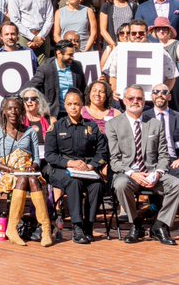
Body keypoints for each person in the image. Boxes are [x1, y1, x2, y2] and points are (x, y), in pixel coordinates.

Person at [108, 85, 179, 245]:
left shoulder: (155, 124)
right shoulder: (114, 124)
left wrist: (157, 173)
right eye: (131, 98)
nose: (135, 101)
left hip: (152, 173)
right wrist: (132, 173)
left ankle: (160, 225)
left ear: (144, 101)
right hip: (128, 175)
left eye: (139, 98)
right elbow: (115, 160)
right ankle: (136, 224)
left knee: (178, 185)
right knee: (120, 184)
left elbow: (164, 155)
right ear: (124, 101)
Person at [45, 88, 109, 244]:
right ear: (65, 106)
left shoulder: (92, 127)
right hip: (61, 169)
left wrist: (91, 166)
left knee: (97, 186)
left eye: (76, 104)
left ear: (82, 106)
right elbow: (50, 155)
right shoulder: (56, 127)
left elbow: (102, 153)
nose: (73, 107)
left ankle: (89, 225)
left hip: (86, 169)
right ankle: (77, 226)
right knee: (74, 182)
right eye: (69, 104)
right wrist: (70, 163)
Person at [0, 95, 53, 247]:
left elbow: (36, 158)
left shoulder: (30, 131)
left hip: (28, 171)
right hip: (7, 172)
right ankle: (12, 228)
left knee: (30, 178)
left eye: (16, 108)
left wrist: (33, 166)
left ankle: (46, 230)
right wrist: (11, 169)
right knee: (24, 178)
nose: (13, 111)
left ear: (22, 111)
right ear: (4, 111)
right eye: (9, 108)